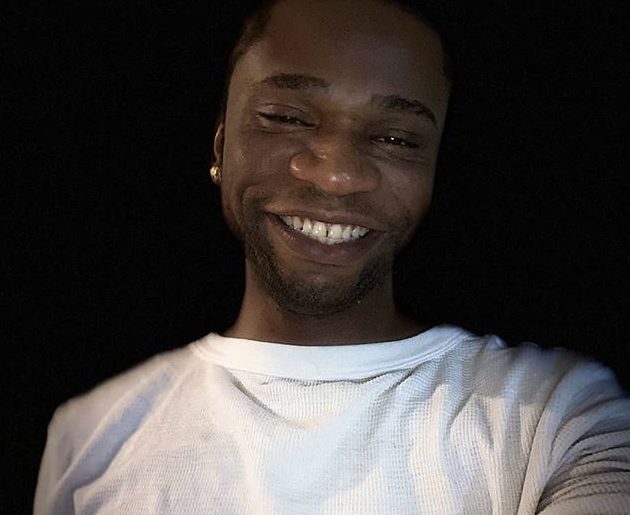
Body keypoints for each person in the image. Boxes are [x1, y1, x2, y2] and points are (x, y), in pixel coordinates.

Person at [34, 0, 630, 513]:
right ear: (220, 144)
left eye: (395, 138)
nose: (337, 176)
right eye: (286, 118)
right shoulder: (85, 435)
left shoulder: (564, 415)